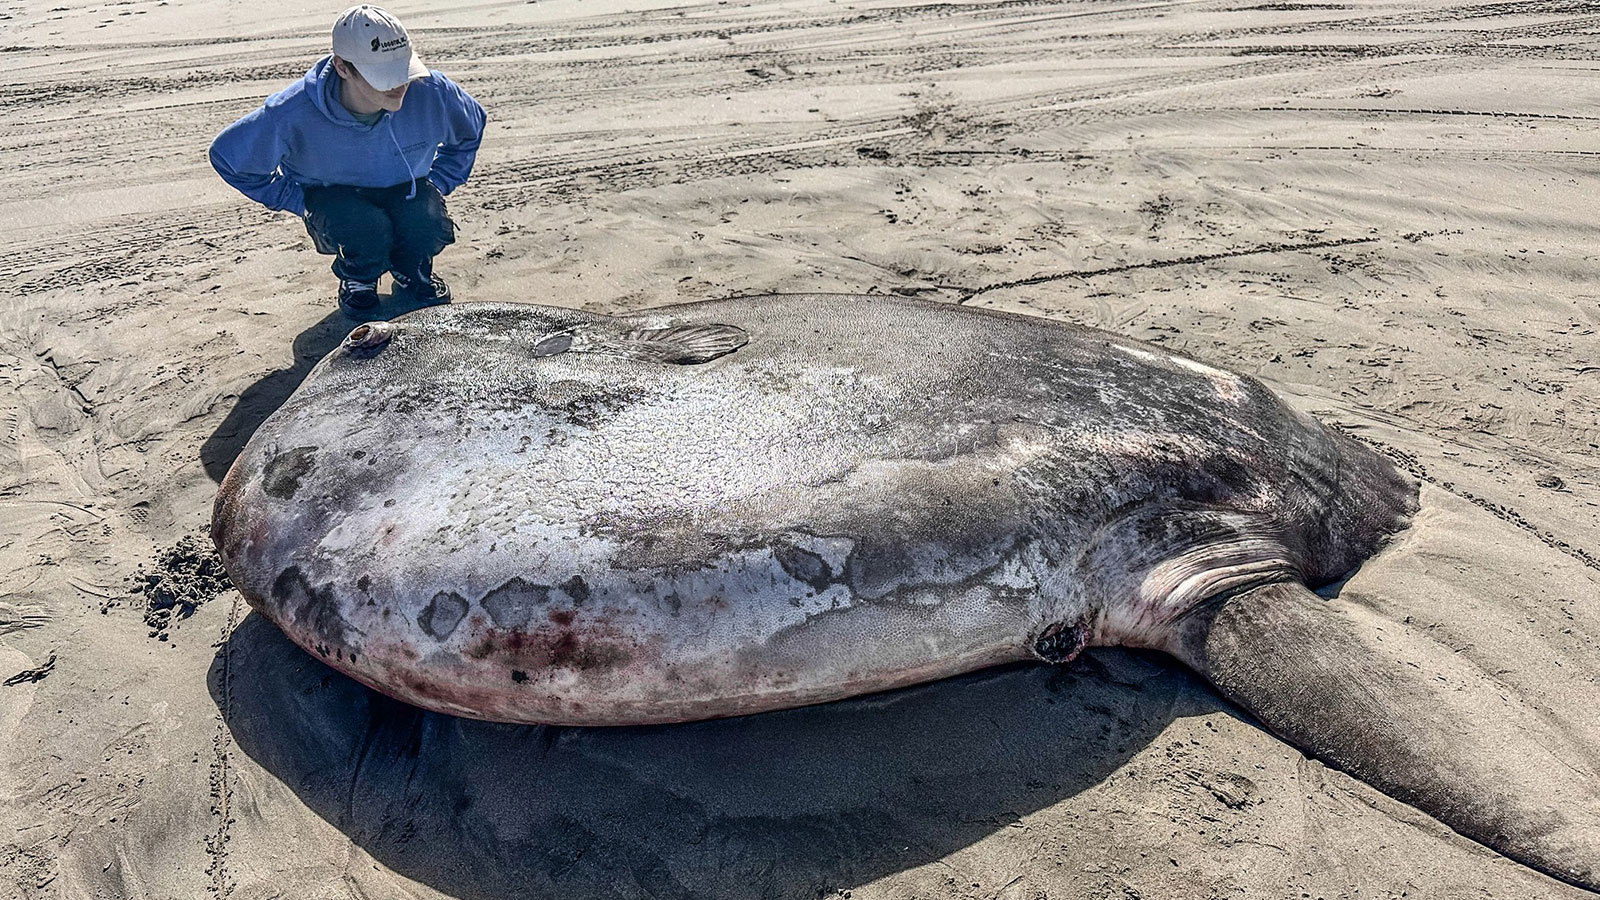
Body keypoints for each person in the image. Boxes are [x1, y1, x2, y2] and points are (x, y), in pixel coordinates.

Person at [209, 5, 487, 318]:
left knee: (426, 222)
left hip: (407, 188)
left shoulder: (433, 91)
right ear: (342, 67)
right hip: (335, 198)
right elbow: (229, 158)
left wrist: (440, 181)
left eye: (403, 69)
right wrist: (297, 201)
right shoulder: (291, 112)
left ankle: (412, 270)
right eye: (383, 76)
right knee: (365, 230)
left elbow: (471, 128)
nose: (399, 85)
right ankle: (359, 280)